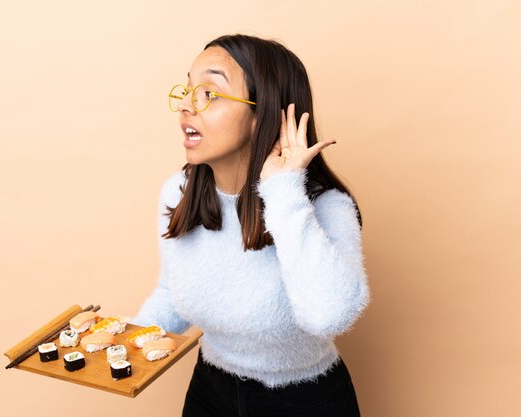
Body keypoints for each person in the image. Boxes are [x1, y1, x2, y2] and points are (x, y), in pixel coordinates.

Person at [132, 33, 371, 417]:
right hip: (210, 391)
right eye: (188, 89)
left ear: (263, 114)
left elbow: (329, 316)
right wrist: (124, 340)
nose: (186, 106)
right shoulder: (178, 193)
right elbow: (172, 290)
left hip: (305, 401)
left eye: (208, 93)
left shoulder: (325, 207)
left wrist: (283, 191)